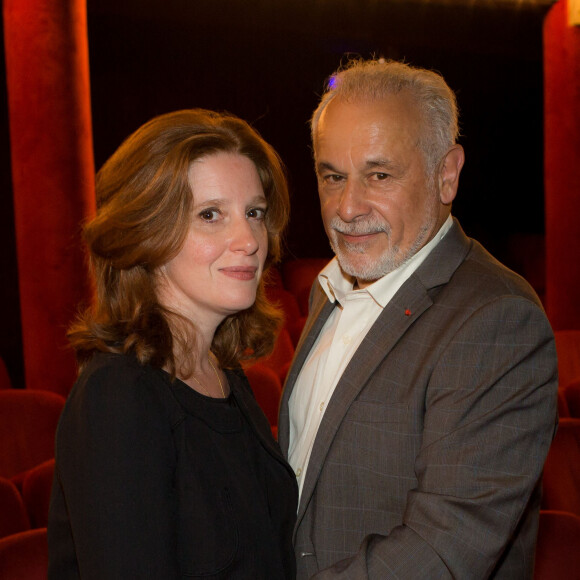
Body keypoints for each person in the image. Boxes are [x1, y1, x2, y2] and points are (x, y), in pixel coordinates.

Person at [278, 59, 558, 579]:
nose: (347, 206)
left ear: (446, 174)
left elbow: (442, 552)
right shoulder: (330, 288)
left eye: (379, 174)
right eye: (332, 176)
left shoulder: (496, 319)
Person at [48, 109, 298, 579]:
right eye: (210, 215)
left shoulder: (225, 376)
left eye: (254, 213)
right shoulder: (119, 396)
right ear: (147, 232)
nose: (247, 239)